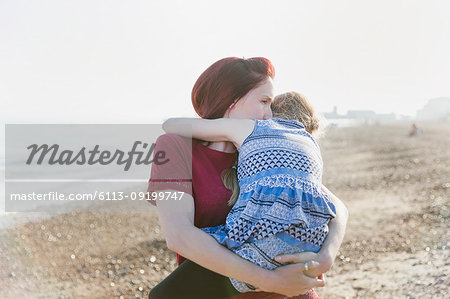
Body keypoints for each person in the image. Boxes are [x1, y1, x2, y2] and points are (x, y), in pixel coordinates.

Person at [147, 57, 349, 299]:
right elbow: (179, 236)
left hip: (291, 293)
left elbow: (335, 206)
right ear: (231, 100)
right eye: (264, 101)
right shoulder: (174, 147)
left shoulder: (262, 149)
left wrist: (326, 256)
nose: (270, 113)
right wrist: (269, 280)